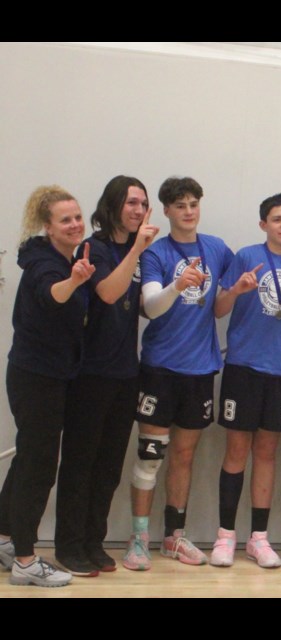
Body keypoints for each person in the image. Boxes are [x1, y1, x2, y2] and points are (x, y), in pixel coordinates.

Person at [122, 176, 233, 570]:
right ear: (166, 211)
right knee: (151, 455)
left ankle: (174, 537)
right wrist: (177, 284)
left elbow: (224, 301)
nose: (188, 211)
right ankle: (138, 538)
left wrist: (237, 292)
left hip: (200, 369)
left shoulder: (217, 249)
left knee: (184, 456)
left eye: (193, 204)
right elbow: (151, 305)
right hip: (160, 369)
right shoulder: (155, 253)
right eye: (180, 205)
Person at [54, 177, 158, 577]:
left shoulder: (138, 252)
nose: (137, 210)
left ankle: (93, 541)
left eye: (143, 204)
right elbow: (109, 293)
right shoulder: (94, 246)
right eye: (131, 202)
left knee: (109, 465)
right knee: (80, 462)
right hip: (90, 373)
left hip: (125, 373)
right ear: (114, 204)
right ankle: (68, 545)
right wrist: (136, 250)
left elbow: (142, 305)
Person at [209, 194, 281, 569]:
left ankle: (259, 538)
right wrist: (236, 290)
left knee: (266, 454)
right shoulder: (246, 256)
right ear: (263, 224)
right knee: (236, 451)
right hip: (243, 367)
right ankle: (224, 537)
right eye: (276, 219)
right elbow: (218, 309)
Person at [0, 186, 94, 587]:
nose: (75, 224)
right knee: (39, 469)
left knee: (28, 461)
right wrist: (73, 281)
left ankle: (6, 539)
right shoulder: (44, 263)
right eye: (65, 219)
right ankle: (24, 560)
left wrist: (73, 275)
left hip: (48, 376)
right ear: (47, 226)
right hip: (36, 378)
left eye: (77, 217)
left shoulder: (61, 256)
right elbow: (51, 294)